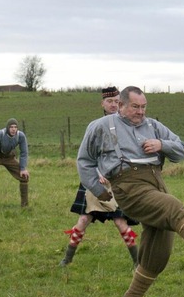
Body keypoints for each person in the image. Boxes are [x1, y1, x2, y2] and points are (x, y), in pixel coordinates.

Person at [77, 86, 184, 297]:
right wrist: (97, 188)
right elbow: (84, 160)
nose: (140, 111)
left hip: (156, 183)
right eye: (135, 107)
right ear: (121, 105)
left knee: (160, 245)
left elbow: (181, 150)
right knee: (173, 207)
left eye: (143, 107)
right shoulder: (101, 126)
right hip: (129, 186)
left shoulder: (153, 126)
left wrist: (161, 145)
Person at [60, 86, 140, 268]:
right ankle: (67, 259)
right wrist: (97, 174)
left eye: (116, 101)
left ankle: (138, 262)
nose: (113, 105)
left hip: (118, 181)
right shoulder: (95, 126)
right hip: (94, 180)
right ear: (102, 104)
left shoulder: (129, 125)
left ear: (121, 103)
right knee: (83, 220)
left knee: (120, 222)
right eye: (109, 101)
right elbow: (87, 156)